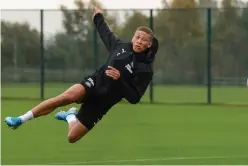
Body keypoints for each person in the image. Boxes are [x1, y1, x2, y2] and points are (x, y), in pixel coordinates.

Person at [4, 7, 159, 143]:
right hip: (94, 83)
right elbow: (105, 32)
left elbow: (134, 98)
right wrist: (98, 17)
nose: (138, 41)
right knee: (66, 97)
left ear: (149, 44)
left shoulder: (145, 69)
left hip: (103, 102)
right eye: (137, 37)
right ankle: (21, 119)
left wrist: (119, 80)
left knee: (72, 137)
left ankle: (70, 116)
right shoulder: (120, 46)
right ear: (133, 37)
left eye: (143, 39)